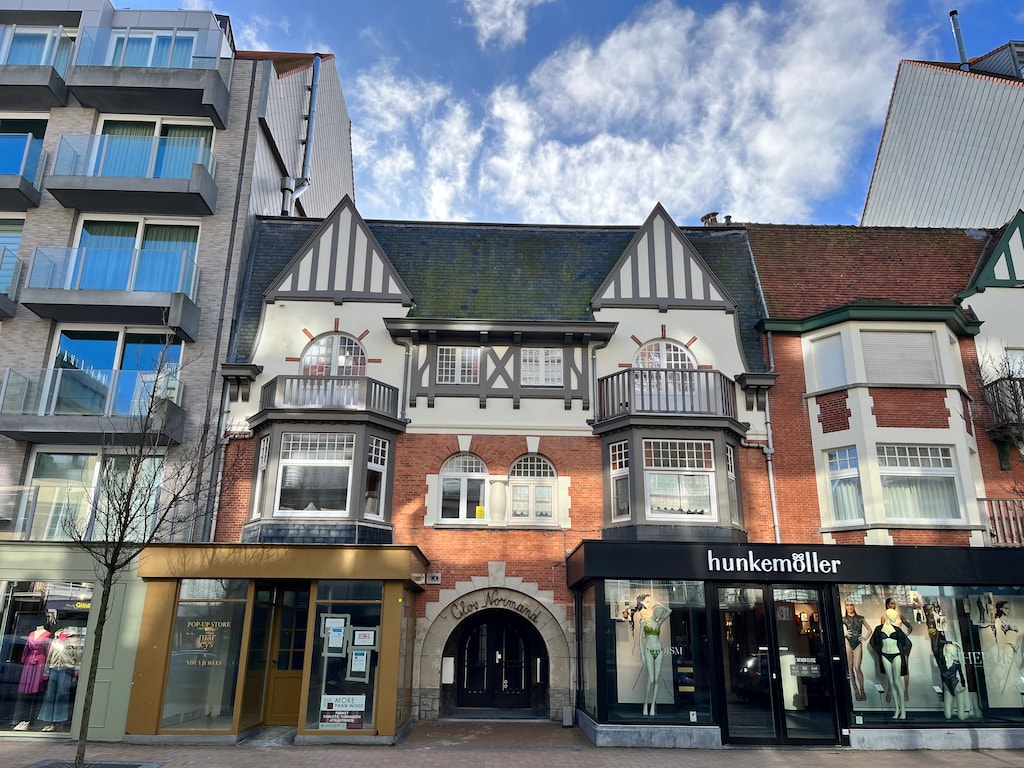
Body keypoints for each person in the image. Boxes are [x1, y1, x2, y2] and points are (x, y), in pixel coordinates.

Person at [626, 594, 672, 716]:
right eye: (658, 612)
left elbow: (669, 611)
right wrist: (641, 654)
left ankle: (652, 706)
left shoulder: (658, 623)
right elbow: (640, 639)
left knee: (657, 679)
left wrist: (659, 605)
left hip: (659, 650)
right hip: (649, 650)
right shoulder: (644, 623)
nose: (659, 614)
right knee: (651, 679)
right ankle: (645, 703)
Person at [870, 608, 911, 720]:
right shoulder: (879, 629)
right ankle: (897, 708)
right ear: (888, 615)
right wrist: (880, 651)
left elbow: (908, 643)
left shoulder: (897, 630)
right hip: (885, 656)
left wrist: (904, 654)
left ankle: (903, 709)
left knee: (897, 681)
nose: (894, 616)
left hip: (896, 655)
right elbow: (872, 642)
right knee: (891, 682)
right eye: (893, 615)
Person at [36, 629, 80, 732]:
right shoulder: (56, 639)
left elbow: (77, 656)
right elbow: (50, 654)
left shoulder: (73, 640)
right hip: (54, 668)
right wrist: (46, 671)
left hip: (66, 668)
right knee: (50, 695)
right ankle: (47, 720)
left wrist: (77, 670)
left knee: (62, 694)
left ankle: (58, 721)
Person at [11, 626, 51, 731]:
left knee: (36, 691)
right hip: (30, 661)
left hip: (40, 662)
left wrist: (47, 668)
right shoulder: (31, 634)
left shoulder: (47, 634)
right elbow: (26, 649)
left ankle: (30, 720)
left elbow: (48, 652)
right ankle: (23, 720)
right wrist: (24, 660)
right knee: (26, 690)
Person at [882, 597, 913, 699]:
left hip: (902, 642)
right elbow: (882, 632)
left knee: (905, 666)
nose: (893, 605)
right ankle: (890, 690)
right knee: (891, 668)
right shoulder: (884, 617)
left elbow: (909, 626)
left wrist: (906, 634)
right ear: (887, 605)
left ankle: (906, 691)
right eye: (891, 604)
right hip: (891, 643)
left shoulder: (899, 615)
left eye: (894, 604)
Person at [842, 601, 872, 702]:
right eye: (847, 605)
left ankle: (862, 689)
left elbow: (869, 629)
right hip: (848, 643)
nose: (849, 607)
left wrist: (865, 638)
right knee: (850, 668)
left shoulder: (860, 618)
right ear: (845, 607)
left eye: (851, 605)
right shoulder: (843, 619)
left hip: (858, 643)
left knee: (857, 667)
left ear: (854, 606)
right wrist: (844, 633)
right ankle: (856, 691)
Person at [936, 638, 969, 720]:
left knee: (947, 715)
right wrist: (964, 685)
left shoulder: (941, 661)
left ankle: (952, 714)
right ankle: (962, 714)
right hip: (957, 685)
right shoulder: (956, 662)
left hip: (947, 685)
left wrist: (949, 643)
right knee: (961, 714)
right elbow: (961, 675)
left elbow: (939, 645)